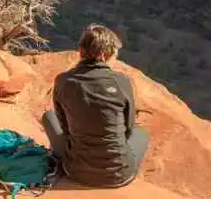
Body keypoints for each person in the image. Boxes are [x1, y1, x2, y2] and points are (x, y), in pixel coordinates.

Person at [42, 24, 149, 188]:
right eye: (115, 54)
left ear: (81, 51)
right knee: (141, 134)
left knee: (49, 117)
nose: (116, 59)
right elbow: (128, 128)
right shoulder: (121, 81)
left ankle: (63, 163)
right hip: (119, 174)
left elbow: (65, 128)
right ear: (103, 55)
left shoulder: (63, 81)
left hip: (76, 171)